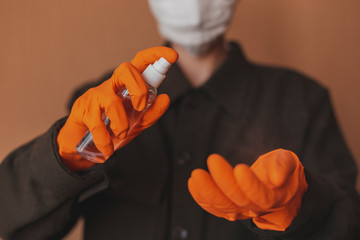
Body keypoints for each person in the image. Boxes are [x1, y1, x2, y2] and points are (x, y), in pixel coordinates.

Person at [0, 0, 359, 239]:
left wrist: (300, 207)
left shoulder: (303, 100)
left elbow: (349, 224)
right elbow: (10, 224)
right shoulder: (101, 104)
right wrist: (65, 162)